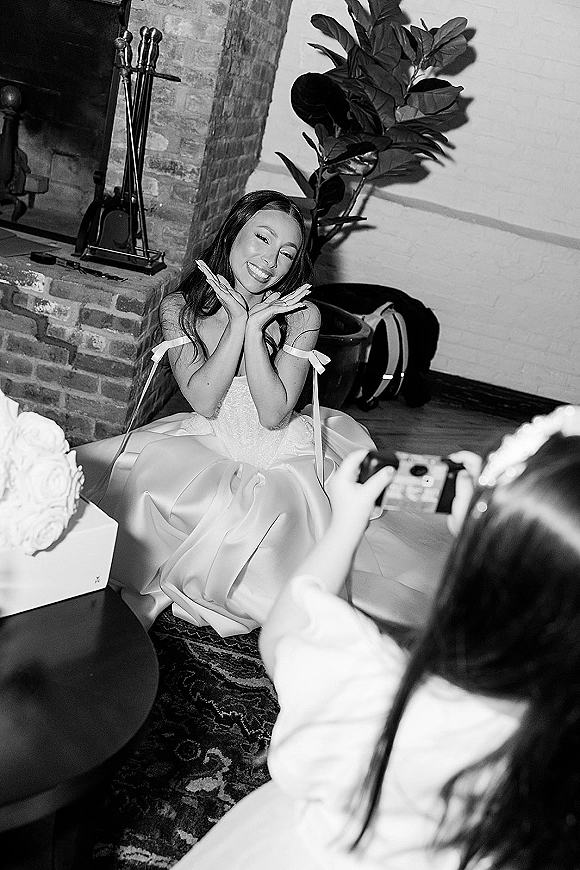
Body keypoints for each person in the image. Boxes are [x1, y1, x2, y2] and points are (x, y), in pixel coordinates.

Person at [172, 404, 580, 870]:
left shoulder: (382, 695)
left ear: (489, 568)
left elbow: (293, 629)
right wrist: (488, 518)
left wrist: (347, 522)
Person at [76, 190, 386, 635]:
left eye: (286, 253)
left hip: (279, 446)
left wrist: (257, 327)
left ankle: (170, 591)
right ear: (232, 236)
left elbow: (274, 413)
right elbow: (203, 400)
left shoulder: (303, 316)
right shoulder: (179, 308)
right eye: (260, 238)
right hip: (209, 434)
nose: (270, 260)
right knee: (149, 488)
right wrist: (237, 322)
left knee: (258, 518)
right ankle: (154, 589)